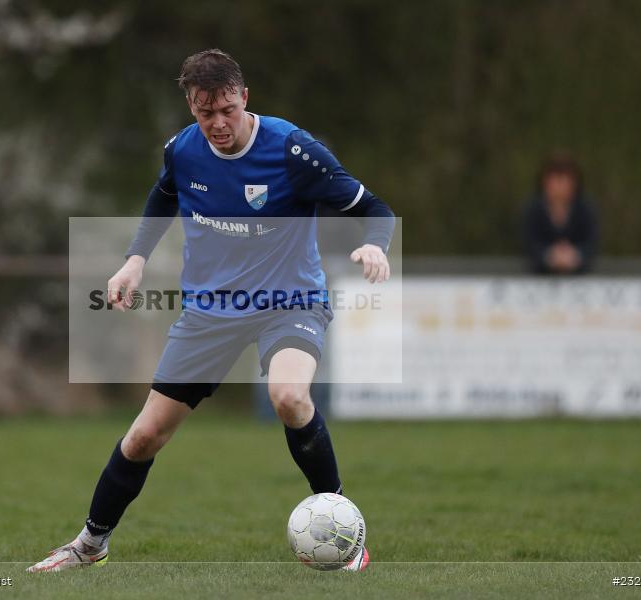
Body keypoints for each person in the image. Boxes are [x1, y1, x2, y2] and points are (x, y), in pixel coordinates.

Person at [27, 49, 394, 573]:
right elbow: (163, 197)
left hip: (289, 301)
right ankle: (90, 545)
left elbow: (373, 207)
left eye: (227, 110)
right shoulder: (183, 150)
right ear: (191, 107)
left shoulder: (292, 150)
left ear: (245, 98)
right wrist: (134, 261)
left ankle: (345, 530)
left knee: (290, 397)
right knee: (144, 436)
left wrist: (375, 244)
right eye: (205, 113)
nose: (218, 123)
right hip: (210, 311)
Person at [522, 154, 598, 274]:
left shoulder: (586, 210)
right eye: (555, 180)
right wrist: (549, 256)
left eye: (564, 181)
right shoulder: (533, 210)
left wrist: (575, 256)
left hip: (580, 278)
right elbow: (529, 244)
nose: (559, 187)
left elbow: (591, 244)